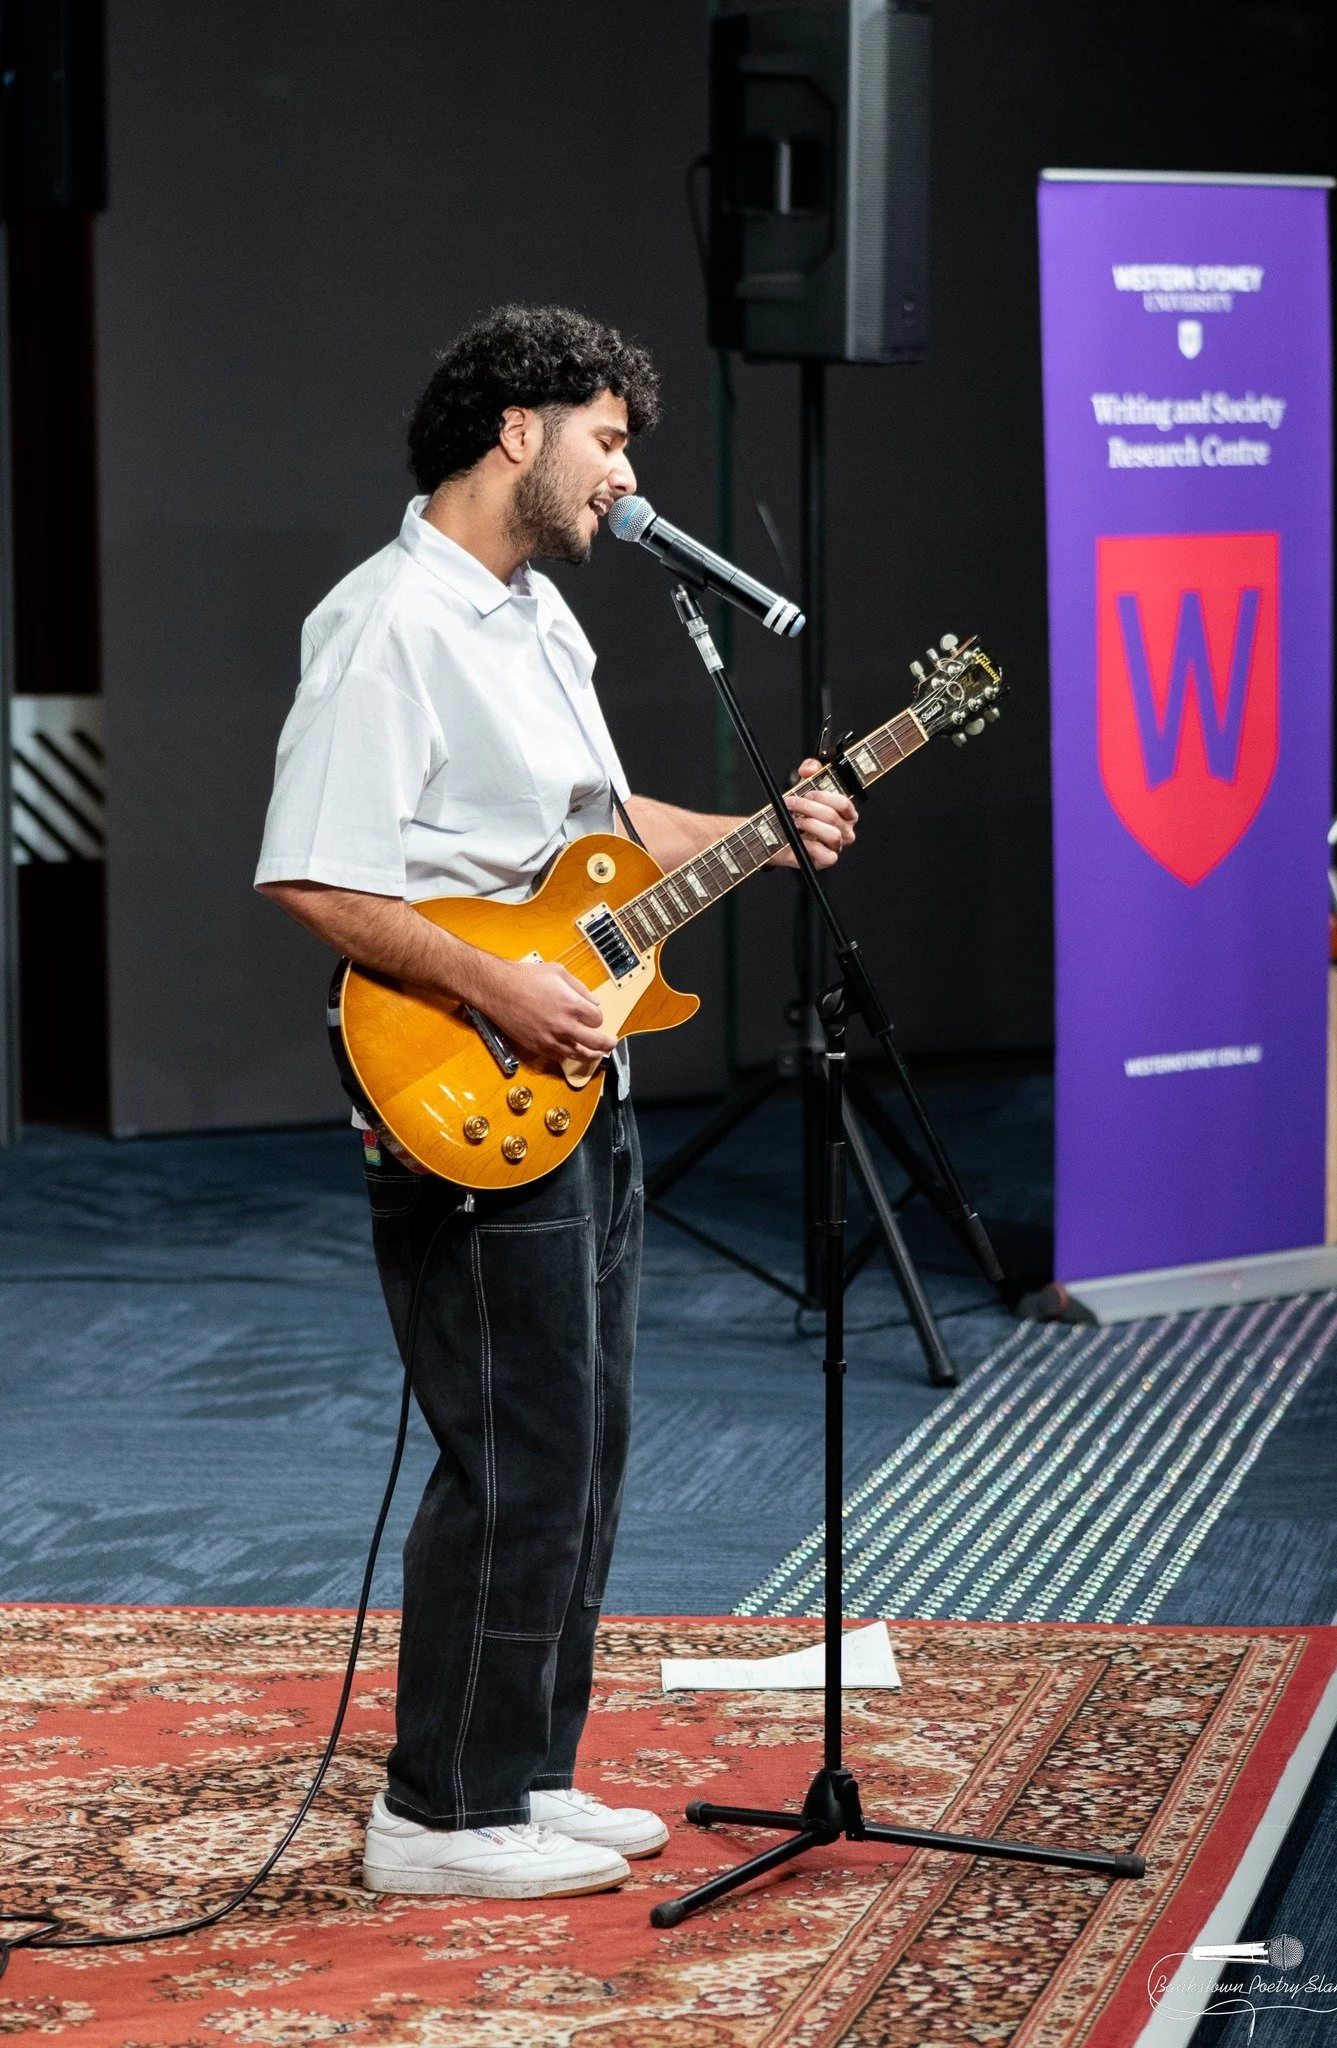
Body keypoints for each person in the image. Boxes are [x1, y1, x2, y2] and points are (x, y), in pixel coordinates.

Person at [255, 305, 857, 1901]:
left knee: (581, 1436)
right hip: (466, 1070)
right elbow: (314, 872)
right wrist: (492, 987)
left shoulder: (534, 620)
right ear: (514, 429)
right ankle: (434, 1815)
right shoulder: (387, 624)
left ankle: (523, 1771)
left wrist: (755, 830)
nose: (623, 476)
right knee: (513, 1444)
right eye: (607, 440)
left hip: (575, 1071)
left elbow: (599, 825)